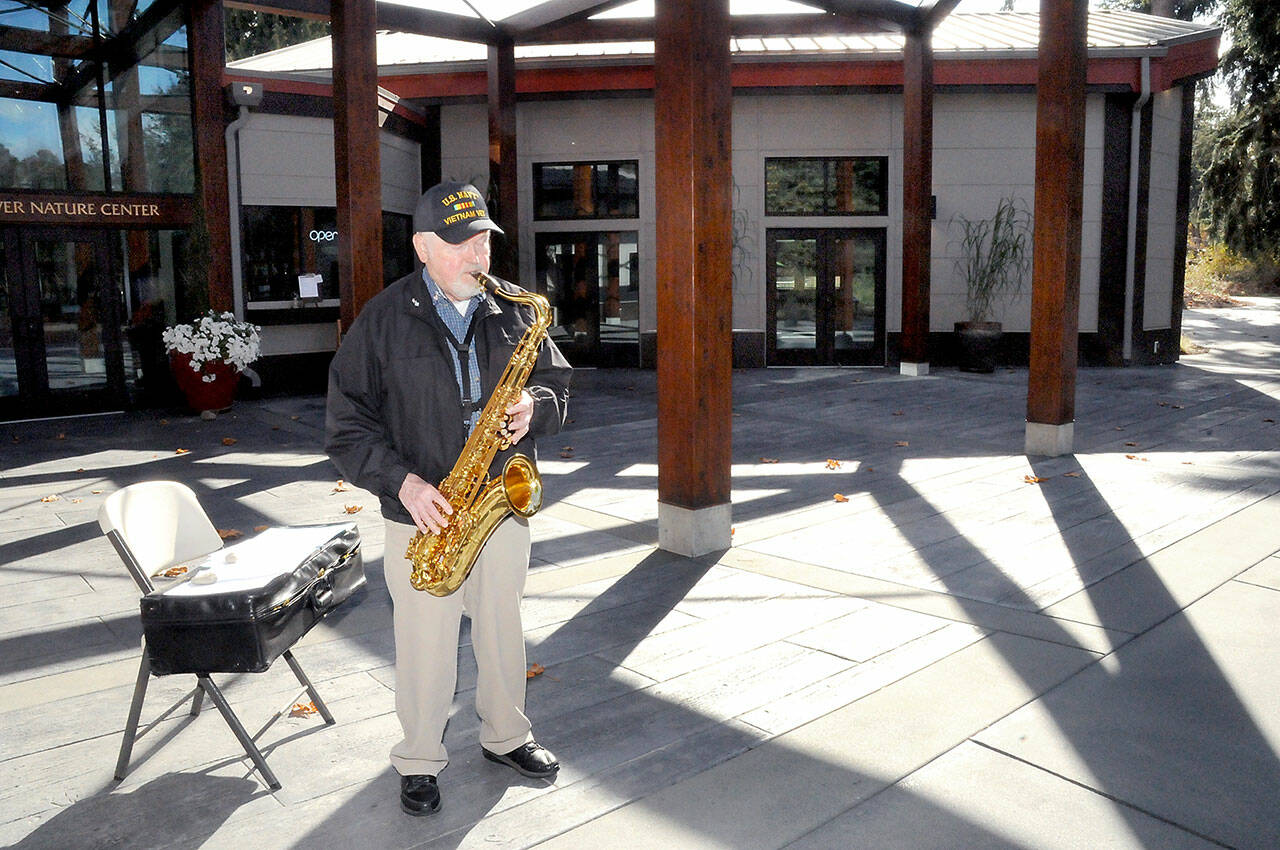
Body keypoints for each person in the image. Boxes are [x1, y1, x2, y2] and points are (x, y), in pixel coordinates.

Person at [325, 181, 572, 817]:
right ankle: (418, 759)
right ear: (423, 247)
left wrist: (533, 407)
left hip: (500, 504)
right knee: (424, 647)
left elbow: (558, 388)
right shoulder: (380, 321)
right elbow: (346, 428)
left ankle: (507, 735)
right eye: (463, 242)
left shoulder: (515, 312)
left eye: (485, 238)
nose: (479, 254)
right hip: (422, 512)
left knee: (502, 631)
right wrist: (402, 484)